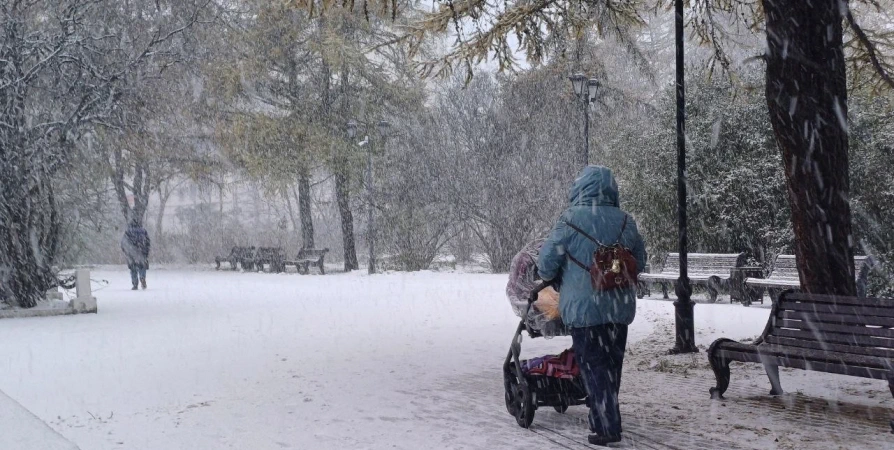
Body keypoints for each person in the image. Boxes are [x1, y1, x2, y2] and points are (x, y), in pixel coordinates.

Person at [537, 165, 646, 447]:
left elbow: (546, 266)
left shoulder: (570, 220)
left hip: (584, 311)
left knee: (594, 367)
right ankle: (602, 419)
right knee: (611, 367)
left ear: (580, 188)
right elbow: (640, 262)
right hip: (619, 308)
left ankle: (607, 425)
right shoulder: (626, 221)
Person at [121, 219, 151, 290]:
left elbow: (123, 242)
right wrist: (146, 251)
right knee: (142, 267)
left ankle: (135, 284)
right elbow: (147, 242)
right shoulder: (143, 231)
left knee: (133, 268)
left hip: (131, 252)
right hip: (142, 252)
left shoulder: (128, 232)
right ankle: (142, 277)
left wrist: (125, 250)